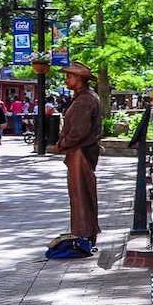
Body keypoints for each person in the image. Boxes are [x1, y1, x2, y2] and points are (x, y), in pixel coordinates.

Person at [53, 61, 105, 245]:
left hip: (81, 151)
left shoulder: (85, 99)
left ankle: (85, 233)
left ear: (78, 78)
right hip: (80, 150)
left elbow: (79, 131)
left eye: (69, 76)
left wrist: (63, 142)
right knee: (79, 193)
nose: (66, 79)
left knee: (81, 193)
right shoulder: (84, 97)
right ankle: (82, 232)